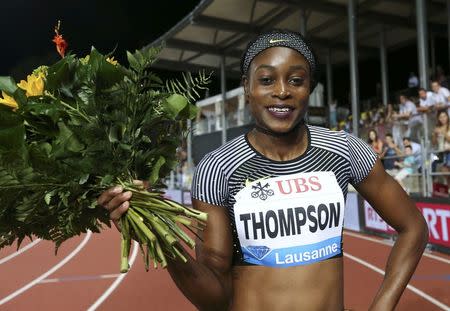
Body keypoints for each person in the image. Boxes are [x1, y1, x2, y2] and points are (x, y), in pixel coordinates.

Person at [97, 30, 428, 311]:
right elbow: (214, 295)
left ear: (309, 86)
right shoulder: (217, 168)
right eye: (267, 79)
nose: (281, 91)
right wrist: (157, 236)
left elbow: (413, 227)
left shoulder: (343, 150)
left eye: (295, 80)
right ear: (247, 86)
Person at [431, 110, 450, 187]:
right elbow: (434, 143)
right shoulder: (437, 128)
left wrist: (444, 132)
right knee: (444, 170)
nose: (442, 119)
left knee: (445, 170)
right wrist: (435, 134)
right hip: (442, 152)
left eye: (444, 116)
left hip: (449, 151)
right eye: (440, 117)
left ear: (447, 117)